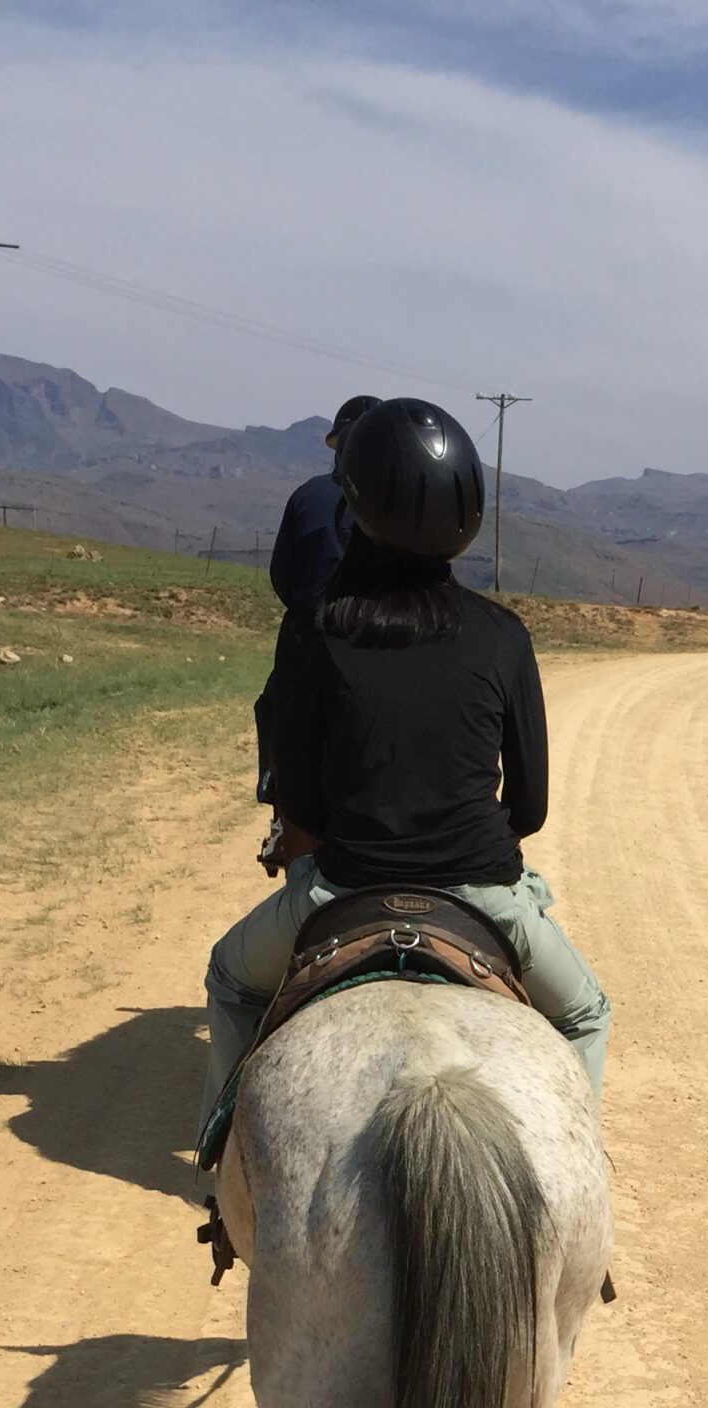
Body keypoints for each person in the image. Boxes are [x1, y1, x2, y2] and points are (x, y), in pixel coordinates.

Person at [203, 398, 610, 1126]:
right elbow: (533, 807)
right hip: (483, 897)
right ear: (468, 517)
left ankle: (220, 1154)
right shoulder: (504, 637)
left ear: (352, 503)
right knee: (584, 1016)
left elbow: (299, 804)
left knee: (231, 980)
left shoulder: (311, 631)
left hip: (344, 891)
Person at [269, 393, 378, 611]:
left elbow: (281, 574)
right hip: (377, 631)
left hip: (309, 629)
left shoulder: (307, 495)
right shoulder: (398, 504)